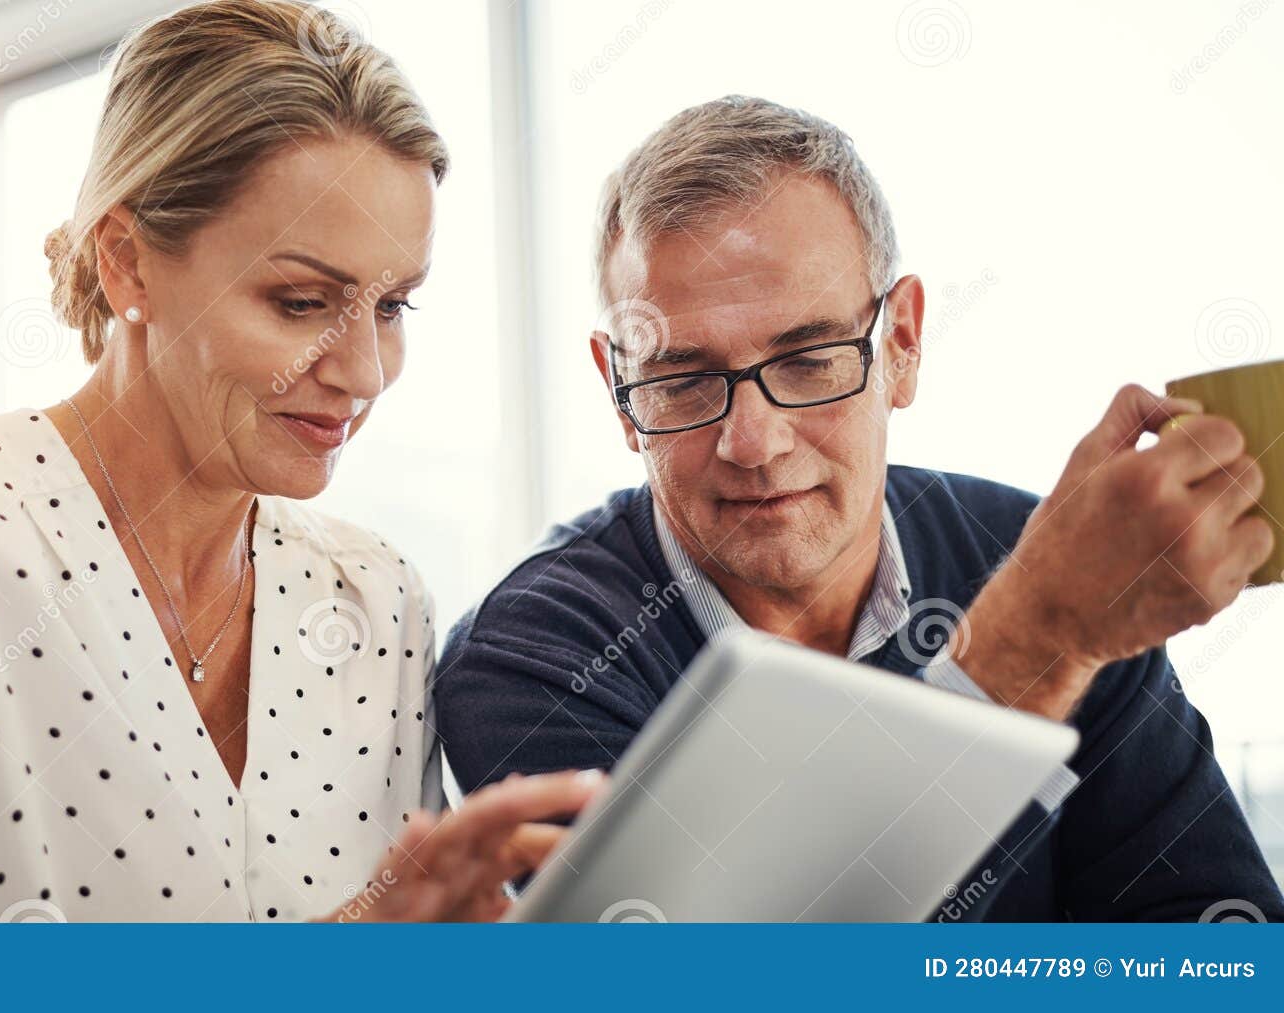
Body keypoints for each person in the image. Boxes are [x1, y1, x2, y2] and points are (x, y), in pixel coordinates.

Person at [0, 0, 601, 924]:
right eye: (302, 301)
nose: (363, 374)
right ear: (127, 264)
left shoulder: (377, 600)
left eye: (394, 305)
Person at [435, 96, 1284, 921]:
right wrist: (1039, 639)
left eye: (808, 358)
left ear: (903, 343)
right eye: (683, 379)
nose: (754, 441)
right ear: (621, 395)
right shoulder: (535, 661)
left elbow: (1216, 949)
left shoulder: (1054, 555)